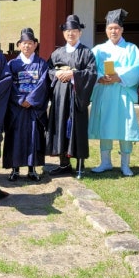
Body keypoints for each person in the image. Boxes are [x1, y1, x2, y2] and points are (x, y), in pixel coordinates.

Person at [88, 9, 139, 176]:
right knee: (105, 126)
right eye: (110, 28)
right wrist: (99, 77)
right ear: (106, 30)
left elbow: (137, 67)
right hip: (104, 92)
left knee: (124, 126)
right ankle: (105, 161)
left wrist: (119, 77)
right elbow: (91, 69)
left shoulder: (131, 49)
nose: (114, 31)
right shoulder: (98, 50)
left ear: (122, 30)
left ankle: (125, 164)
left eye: (117, 28)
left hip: (122, 92)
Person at [45, 14, 97, 179]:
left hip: (76, 97)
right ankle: (63, 164)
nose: (71, 34)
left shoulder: (86, 53)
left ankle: (80, 165)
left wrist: (73, 75)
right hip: (60, 98)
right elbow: (48, 71)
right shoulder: (57, 53)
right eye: (68, 31)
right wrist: (58, 73)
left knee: (77, 128)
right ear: (63, 33)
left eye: (74, 31)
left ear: (80, 33)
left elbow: (91, 73)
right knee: (60, 126)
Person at [2, 27, 49, 182]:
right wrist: (21, 100)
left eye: (30, 43)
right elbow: (9, 84)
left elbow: (43, 84)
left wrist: (31, 100)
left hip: (34, 108)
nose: (27, 46)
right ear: (19, 45)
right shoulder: (12, 64)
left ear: (35, 45)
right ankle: (15, 169)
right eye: (24, 43)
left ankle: (32, 168)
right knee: (15, 137)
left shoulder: (42, 64)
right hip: (17, 108)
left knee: (33, 137)